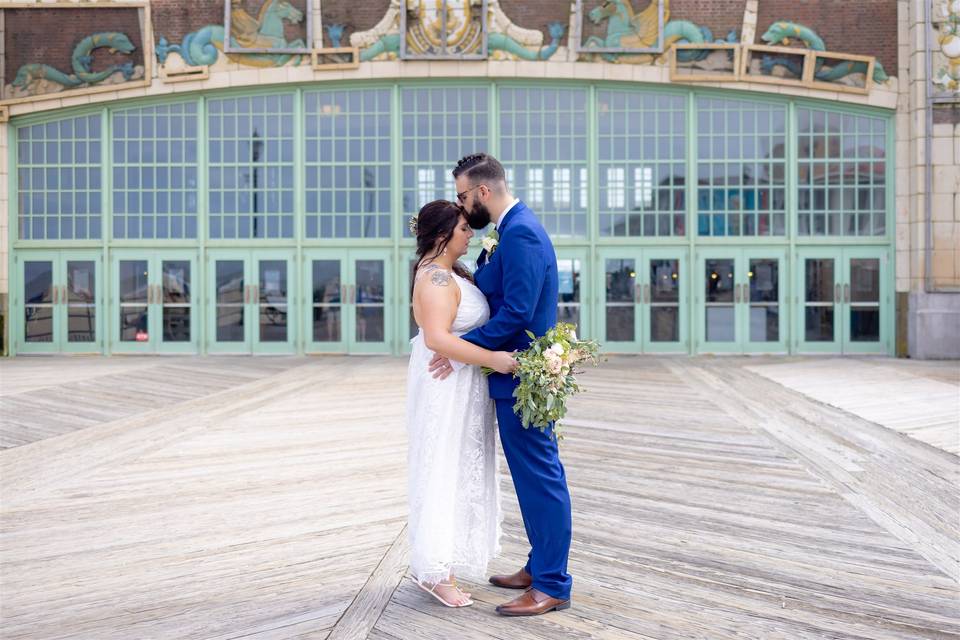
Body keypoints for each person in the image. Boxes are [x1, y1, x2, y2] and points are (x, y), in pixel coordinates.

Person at [429, 153, 573, 617]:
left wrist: (457, 346)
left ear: (482, 193)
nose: (461, 205)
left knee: (541, 479)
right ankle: (539, 565)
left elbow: (517, 312)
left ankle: (552, 584)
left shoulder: (523, 233)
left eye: (462, 196)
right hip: (508, 376)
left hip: (523, 375)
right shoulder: (509, 232)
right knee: (531, 478)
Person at [406, 199, 518, 608]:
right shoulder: (434, 279)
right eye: (463, 229)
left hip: (462, 383)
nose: (470, 234)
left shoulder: (448, 273)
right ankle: (436, 572)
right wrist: (495, 360)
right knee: (442, 466)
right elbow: (437, 338)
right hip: (445, 387)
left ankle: (444, 564)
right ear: (442, 236)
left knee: (458, 466)